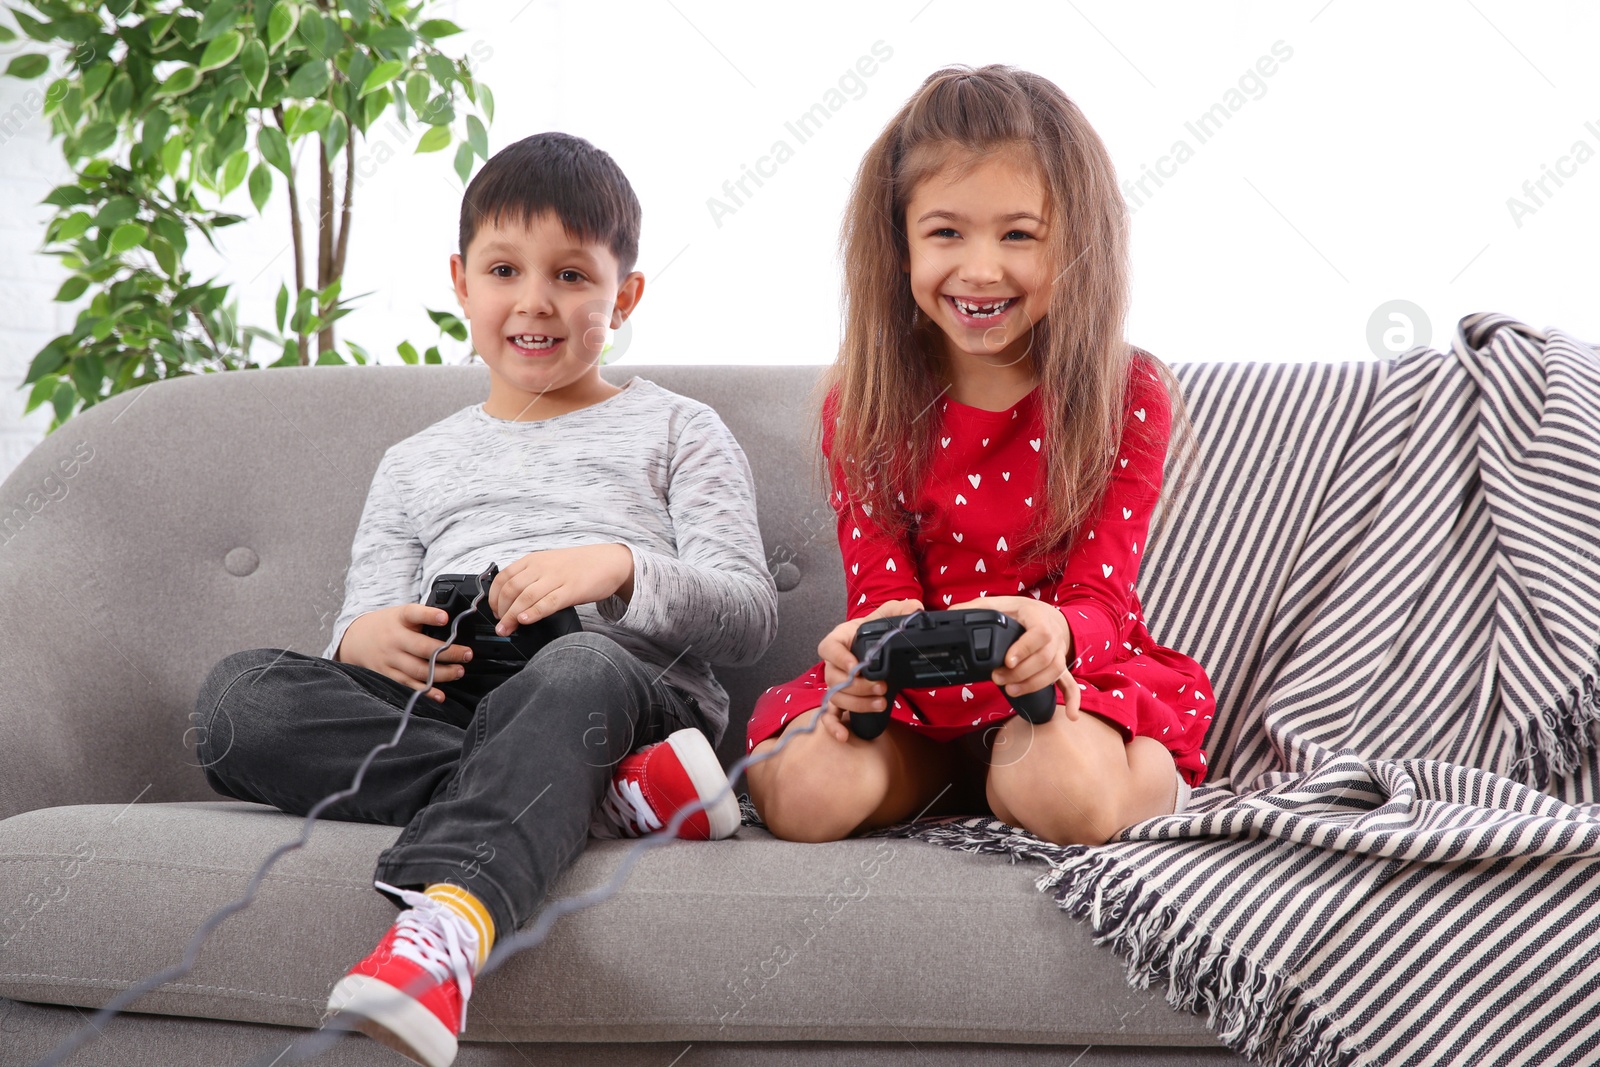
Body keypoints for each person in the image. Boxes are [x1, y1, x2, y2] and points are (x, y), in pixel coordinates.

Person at [192, 131, 777, 1067]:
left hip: (618, 690)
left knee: (578, 660)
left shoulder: (677, 428)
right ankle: (604, 798)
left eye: (573, 275)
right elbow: (362, 612)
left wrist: (619, 569)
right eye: (505, 269)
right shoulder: (413, 461)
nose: (535, 300)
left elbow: (747, 612)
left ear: (624, 295)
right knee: (234, 702)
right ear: (462, 283)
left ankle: (444, 932)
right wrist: (368, 639)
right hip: (459, 695)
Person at [743, 64, 1214, 849]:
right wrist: (872, 642)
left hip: (1061, 681)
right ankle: (951, 776)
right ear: (900, 242)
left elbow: (1101, 598)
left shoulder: (1127, 392)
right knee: (807, 799)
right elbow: (882, 587)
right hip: (919, 701)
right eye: (947, 232)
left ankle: (1150, 775)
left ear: (1075, 242)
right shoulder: (861, 406)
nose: (981, 268)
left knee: (1059, 792)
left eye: (1018, 234)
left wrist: (1052, 633)